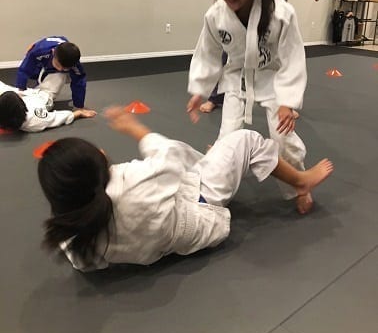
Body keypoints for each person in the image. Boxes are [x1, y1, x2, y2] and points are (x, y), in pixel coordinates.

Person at [37, 107, 333, 272]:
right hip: (199, 209)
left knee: (186, 157)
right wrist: (133, 128)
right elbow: (170, 157)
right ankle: (300, 181)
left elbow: (81, 261)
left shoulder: (75, 234)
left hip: (162, 234)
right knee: (246, 139)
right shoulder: (133, 180)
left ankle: (213, 156)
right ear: (100, 160)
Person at [187, 0, 310, 210]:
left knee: (282, 138)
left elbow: (293, 57)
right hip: (236, 79)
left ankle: (299, 183)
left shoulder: (281, 14)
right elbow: (206, 53)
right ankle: (212, 190)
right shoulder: (215, 16)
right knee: (227, 138)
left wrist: (288, 101)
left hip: (273, 79)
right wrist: (200, 89)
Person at [16, 36, 87, 109]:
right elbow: (24, 70)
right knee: (30, 73)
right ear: (53, 52)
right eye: (58, 65)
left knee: (59, 77)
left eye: (64, 68)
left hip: (52, 66)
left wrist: (79, 106)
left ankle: (42, 97)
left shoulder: (74, 62)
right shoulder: (39, 51)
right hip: (39, 62)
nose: (60, 69)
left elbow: (79, 82)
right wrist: (21, 92)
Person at [0, 80, 96, 132]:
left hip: (26, 94)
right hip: (44, 95)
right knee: (59, 73)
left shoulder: (4, 112)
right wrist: (78, 113)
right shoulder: (35, 119)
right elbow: (56, 118)